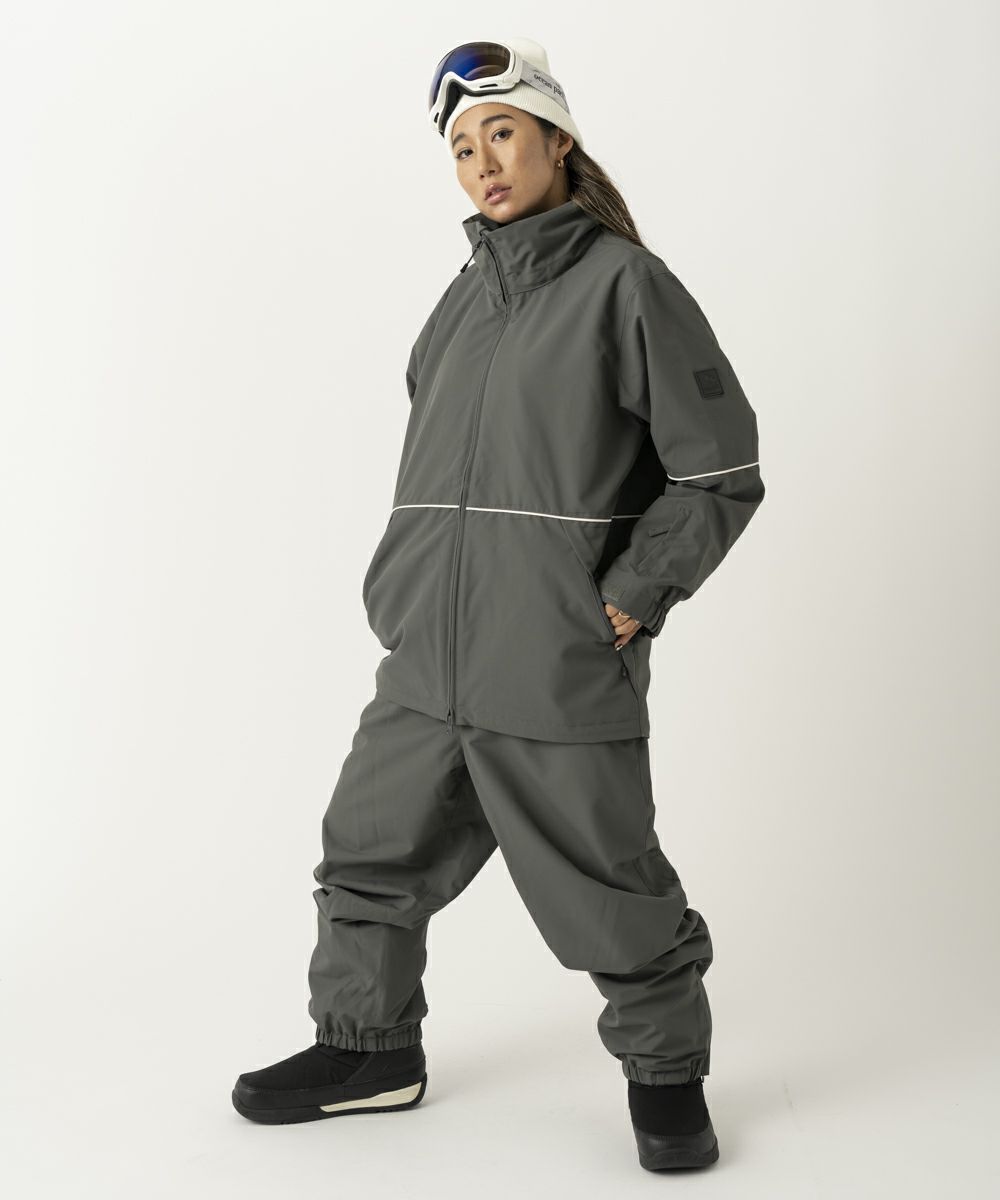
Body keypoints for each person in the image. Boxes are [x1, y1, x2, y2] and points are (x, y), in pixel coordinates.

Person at [231, 37, 764, 1172]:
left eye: (503, 132)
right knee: (367, 853)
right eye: (462, 146)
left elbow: (719, 470)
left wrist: (629, 596)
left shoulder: (627, 286)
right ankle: (370, 1051)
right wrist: (402, 590)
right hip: (428, 656)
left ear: (558, 141)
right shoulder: (459, 306)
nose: (481, 161)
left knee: (608, 885)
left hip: (553, 658)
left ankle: (667, 1077)